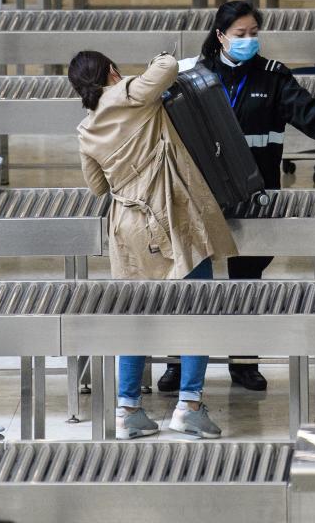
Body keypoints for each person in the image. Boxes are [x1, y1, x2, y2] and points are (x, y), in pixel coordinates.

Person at [159, 0, 315, 393]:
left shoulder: (273, 78)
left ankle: (244, 362)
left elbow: (310, 112)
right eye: (240, 34)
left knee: (247, 281)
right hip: (200, 195)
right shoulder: (192, 75)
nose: (249, 41)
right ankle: (179, 362)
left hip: (252, 194)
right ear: (220, 35)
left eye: (253, 33)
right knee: (190, 282)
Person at [72, 50, 238, 439]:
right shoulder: (130, 92)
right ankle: (189, 407)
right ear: (112, 71)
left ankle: (128, 411)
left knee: (136, 317)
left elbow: (97, 186)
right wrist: (158, 57)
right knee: (196, 311)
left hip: (128, 227)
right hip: (172, 215)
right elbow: (165, 68)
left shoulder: (86, 129)